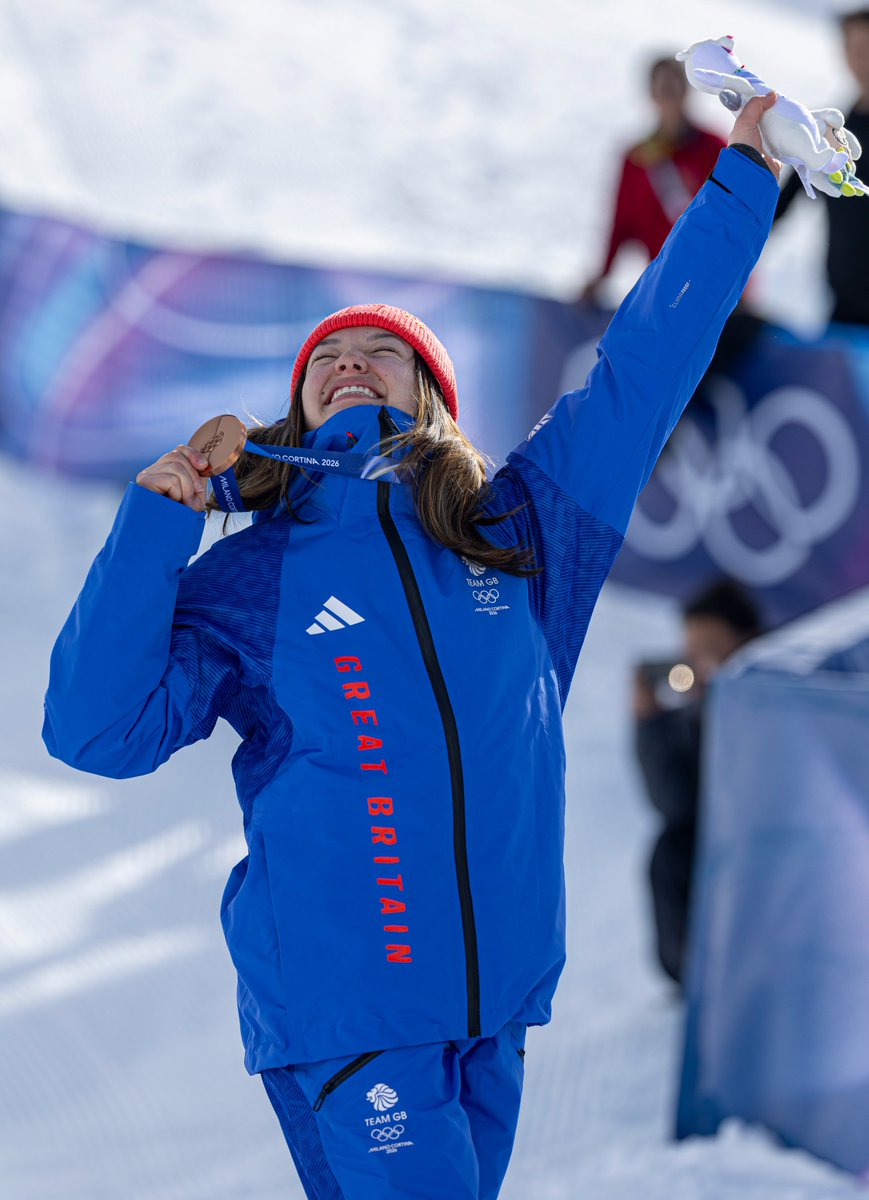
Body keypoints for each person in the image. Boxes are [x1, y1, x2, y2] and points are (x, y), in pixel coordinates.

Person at [42, 97, 780, 1200]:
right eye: (325, 357)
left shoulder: (523, 529)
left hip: (498, 1003)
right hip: (351, 1012)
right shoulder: (256, 573)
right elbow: (95, 731)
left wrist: (747, 178)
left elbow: (645, 365)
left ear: (431, 392)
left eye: (380, 352)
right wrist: (163, 520)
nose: (349, 363)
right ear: (295, 400)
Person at [633, 580, 763, 989]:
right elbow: (674, 804)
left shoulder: (776, 704)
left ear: (747, 642)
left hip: (766, 851)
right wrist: (650, 722)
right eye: (689, 652)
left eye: (708, 647)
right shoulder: (697, 715)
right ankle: (695, 975)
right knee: (670, 847)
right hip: (717, 857)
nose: (696, 663)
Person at [580, 55, 726, 303]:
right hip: (666, 290)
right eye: (660, 88)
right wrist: (602, 276)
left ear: (686, 91)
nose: (667, 95)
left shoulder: (714, 149)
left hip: (714, 285)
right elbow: (621, 224)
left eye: (672, 87)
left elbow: (730, 220)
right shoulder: (636, 158)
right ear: (650, 93)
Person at [774, 7, 869, 327]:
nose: (862, 60)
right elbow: (781, 205)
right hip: (844, 309)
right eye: (855, 49)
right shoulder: (831, 131)